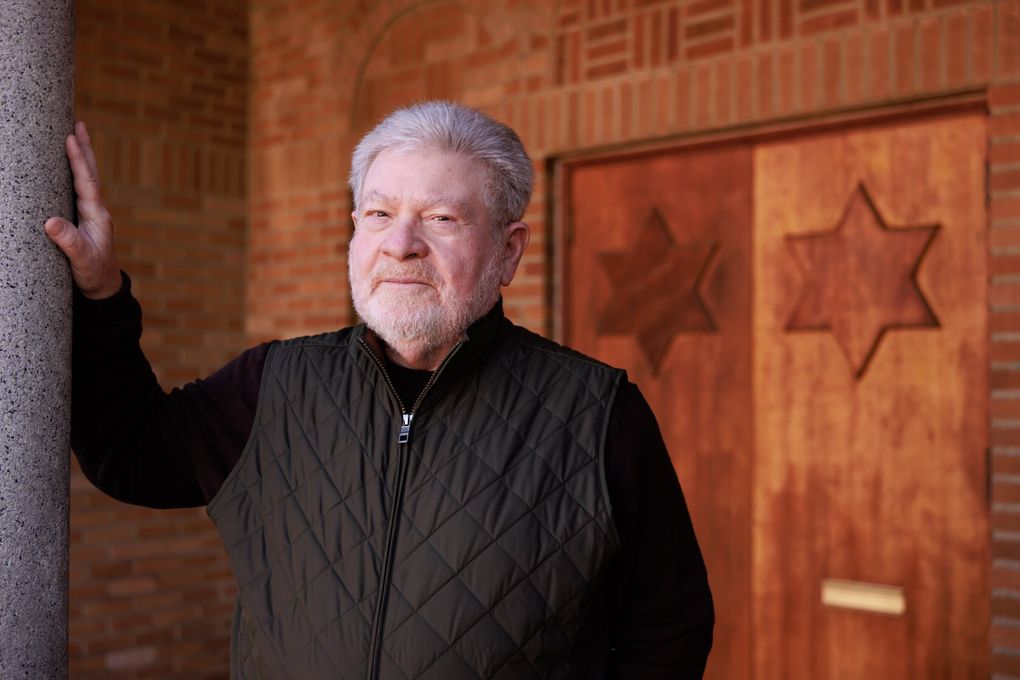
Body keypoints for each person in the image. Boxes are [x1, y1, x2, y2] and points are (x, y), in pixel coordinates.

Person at [46, 101, 713, 679]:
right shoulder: (273, 386)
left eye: (442, 219)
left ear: (509, 251)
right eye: (378, 212)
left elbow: (669, 628)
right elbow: (130, 452)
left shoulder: (598, 413)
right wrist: (102, 294)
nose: (401, 244)